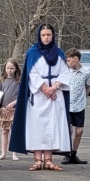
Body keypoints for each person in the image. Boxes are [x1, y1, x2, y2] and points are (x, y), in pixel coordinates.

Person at [10, 24, 71, 171]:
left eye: (48, 35)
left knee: (52, 126)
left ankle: (48, 160)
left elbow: (64, 72)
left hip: (55, 96)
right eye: (43, 35)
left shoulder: (59, 53)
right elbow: (32, 73)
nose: (46, 37)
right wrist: (45, 89)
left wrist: (54, 87)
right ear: (39, 36)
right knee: (38, 127)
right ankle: (38, 160)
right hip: (38, 96)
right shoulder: (33, 53)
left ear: (52, 35)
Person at [62, 49, 90, 165]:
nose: (67, 63)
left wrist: (84, 98)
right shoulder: (66, 72)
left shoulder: (86, 73)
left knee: (79, 131)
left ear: (76, 59)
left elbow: (88, 86)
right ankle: (66, 154)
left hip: (79, 105)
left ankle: (74, 154)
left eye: (69, 60)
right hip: (68, 105)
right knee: (68, 130)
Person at [0, 59, 21, 161]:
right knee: (4, 131)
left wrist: (14, 103)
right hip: (3, 109)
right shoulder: (2, 79)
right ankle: (3, 153)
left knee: (13, 131)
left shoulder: (18, 80)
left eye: (12, 68)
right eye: (7, 68)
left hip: (14, 109)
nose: (9, 70)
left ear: (16, 69)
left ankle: (14, 154)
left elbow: (21, 95)